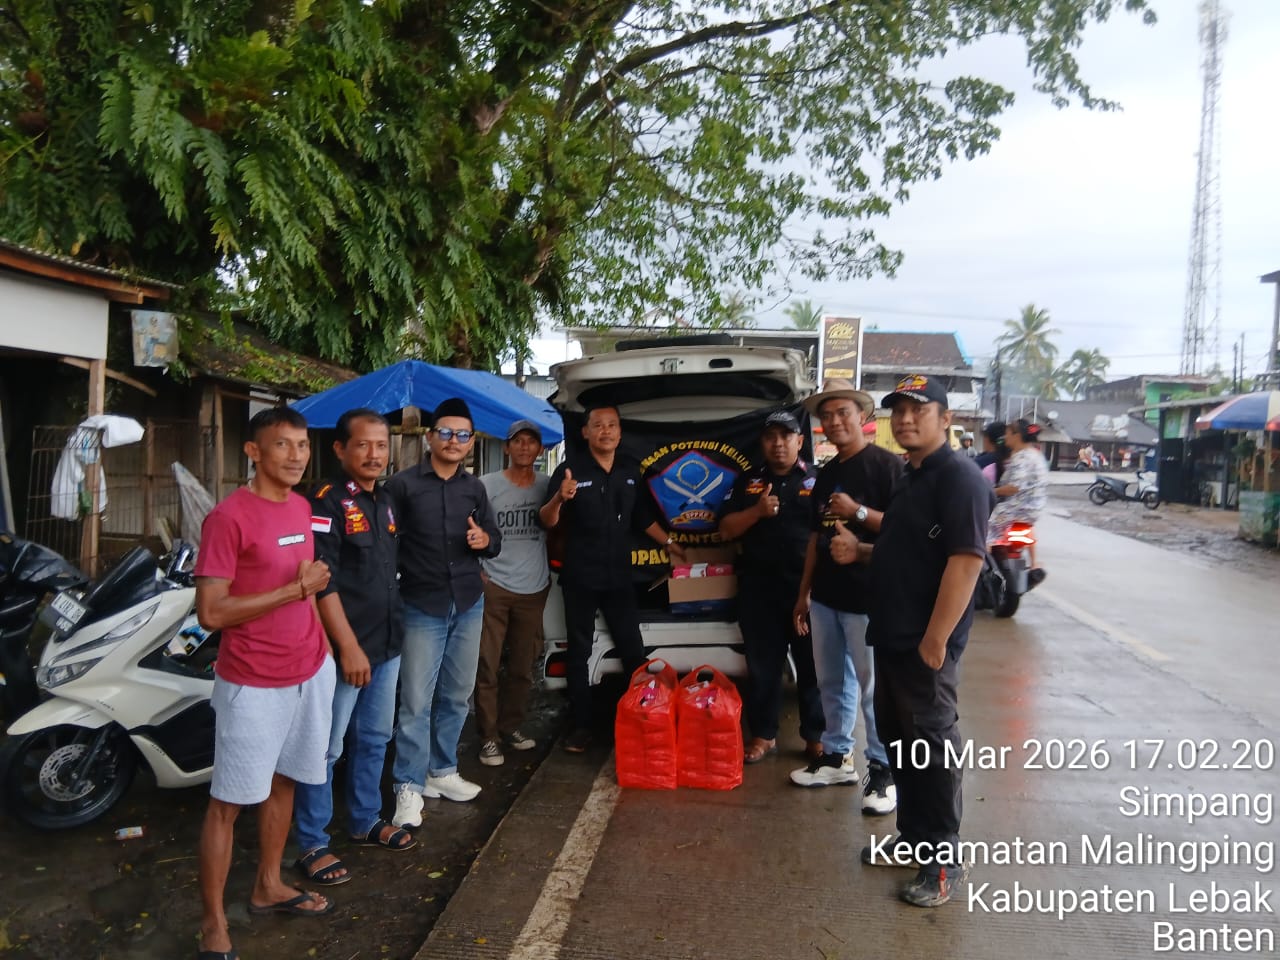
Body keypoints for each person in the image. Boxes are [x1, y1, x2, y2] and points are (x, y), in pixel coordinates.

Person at [194, 407, 337, 960]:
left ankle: (268, 884)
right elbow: (211, 612)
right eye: (283, 445)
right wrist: (294, 593)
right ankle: (213, 924)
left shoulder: (302, 506)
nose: (297, 456)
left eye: (303, 445)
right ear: (253, 452)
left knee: (286, 782)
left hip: (308, 670)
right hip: (253, 682)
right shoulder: (228, 518)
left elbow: (308, 584)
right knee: (227, 804)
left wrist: (323, 646)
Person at [847, 374, 994, 908]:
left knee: (931, 749)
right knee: (902, 743)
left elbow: (966, 561)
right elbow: (907, 549)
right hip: (892, 634)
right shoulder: (910, 475)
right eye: (899, 411)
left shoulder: (960, 479)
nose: (906, 419)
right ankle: (913, 839)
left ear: (945, 419)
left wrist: (936, 639)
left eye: (919, 410)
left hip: (924, 644)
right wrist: (862, 553)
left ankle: (943, 860)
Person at [293, 409, 414, 890]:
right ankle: (312, 841)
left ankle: (365, 819)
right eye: (363, 444)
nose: (374, 454)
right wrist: (347, 648)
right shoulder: (325, 501)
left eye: (381, 445)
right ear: (340, 449)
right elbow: (322, 582)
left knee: (375, 738)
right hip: (346, 650)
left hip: (387, 643)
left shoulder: (385, 499)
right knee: (326, 748)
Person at [540, 405, 685, 753]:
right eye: (598, 425)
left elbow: (642, 518)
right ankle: (582, 726)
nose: (605, 431)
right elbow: (545, 520)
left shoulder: (629, 470)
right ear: (586, 432)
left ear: (620, 432)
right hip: (580, 576)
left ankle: (642, 719)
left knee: (633, 650)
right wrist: (559, 497)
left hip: (619, 577)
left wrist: (670, 544)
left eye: (612, 425)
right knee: (579, 652)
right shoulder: (570, 470)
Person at [385, 398, 502, 829]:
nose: (454, 441)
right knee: (416, 700)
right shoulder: (402, 486)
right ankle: (408, 785)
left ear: (471, 442)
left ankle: (441, 769)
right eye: (447, 433)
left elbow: (494, 540)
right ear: (430, 437)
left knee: (456, 694)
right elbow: (385, 544)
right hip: (421, 603)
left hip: (468, 601)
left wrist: (484, 541)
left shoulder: (475, 489)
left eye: (463, 435)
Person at [789, 379, 901, 818]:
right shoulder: (826, 473)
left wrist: (857, 511)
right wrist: (804, 594)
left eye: (843, 413)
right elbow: (814, 539)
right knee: (831, 682)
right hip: (826, 598)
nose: (834, 421)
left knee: (875, 691)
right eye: (827, 415)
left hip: (869, 599)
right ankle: (837, 758)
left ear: (862, 417)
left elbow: (904, 529)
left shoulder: (887, 467)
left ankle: (883, 769)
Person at [717, 410, 824, 764]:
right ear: (762, 443)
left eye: (786, 436)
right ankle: (763, 736)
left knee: (813, 667)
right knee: (763, 668)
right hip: (759, 590)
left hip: (807, 590)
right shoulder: (747, 482)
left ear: (800, 441)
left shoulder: (818, 480)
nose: (778, 444)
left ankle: (816, 737)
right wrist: (757, 512)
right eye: (770, 437)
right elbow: (725, 530)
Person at [475, 419, 553, 766]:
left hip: (534, 588)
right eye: (517, 441)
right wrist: (478, 572)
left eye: (530, 442)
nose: (524, 447)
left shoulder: (548, 486)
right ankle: (487, 737)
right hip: (494, 586)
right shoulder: (487, 485)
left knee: (522, 667)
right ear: (506, 448)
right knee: (487, 665)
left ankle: (511, 727)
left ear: (540, 449)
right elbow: (468, 529)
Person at [990, 418, 1049, 587]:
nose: (1005, 437)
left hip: (1016, 509)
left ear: (1017, 436)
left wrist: (992, 491)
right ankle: (1034, 563)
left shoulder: (1021, 457)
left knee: (983, 530)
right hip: (1033, 511)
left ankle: (981, 572)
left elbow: (1014, 487)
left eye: (1008, 433)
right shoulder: (1036, 455)